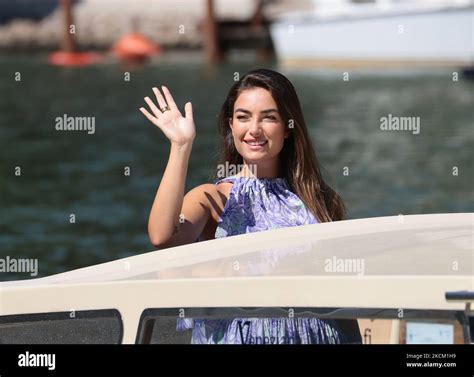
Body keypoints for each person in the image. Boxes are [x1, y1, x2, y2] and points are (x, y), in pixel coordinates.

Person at [139, 68, 362, 344]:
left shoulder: (319, 199)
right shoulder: (213, 198)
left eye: (269, 117)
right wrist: (181, 146)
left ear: (289, 128)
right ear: (231, 125)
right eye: (243, 117)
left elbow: (340, 288)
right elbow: (162, 236)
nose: (254, 129)